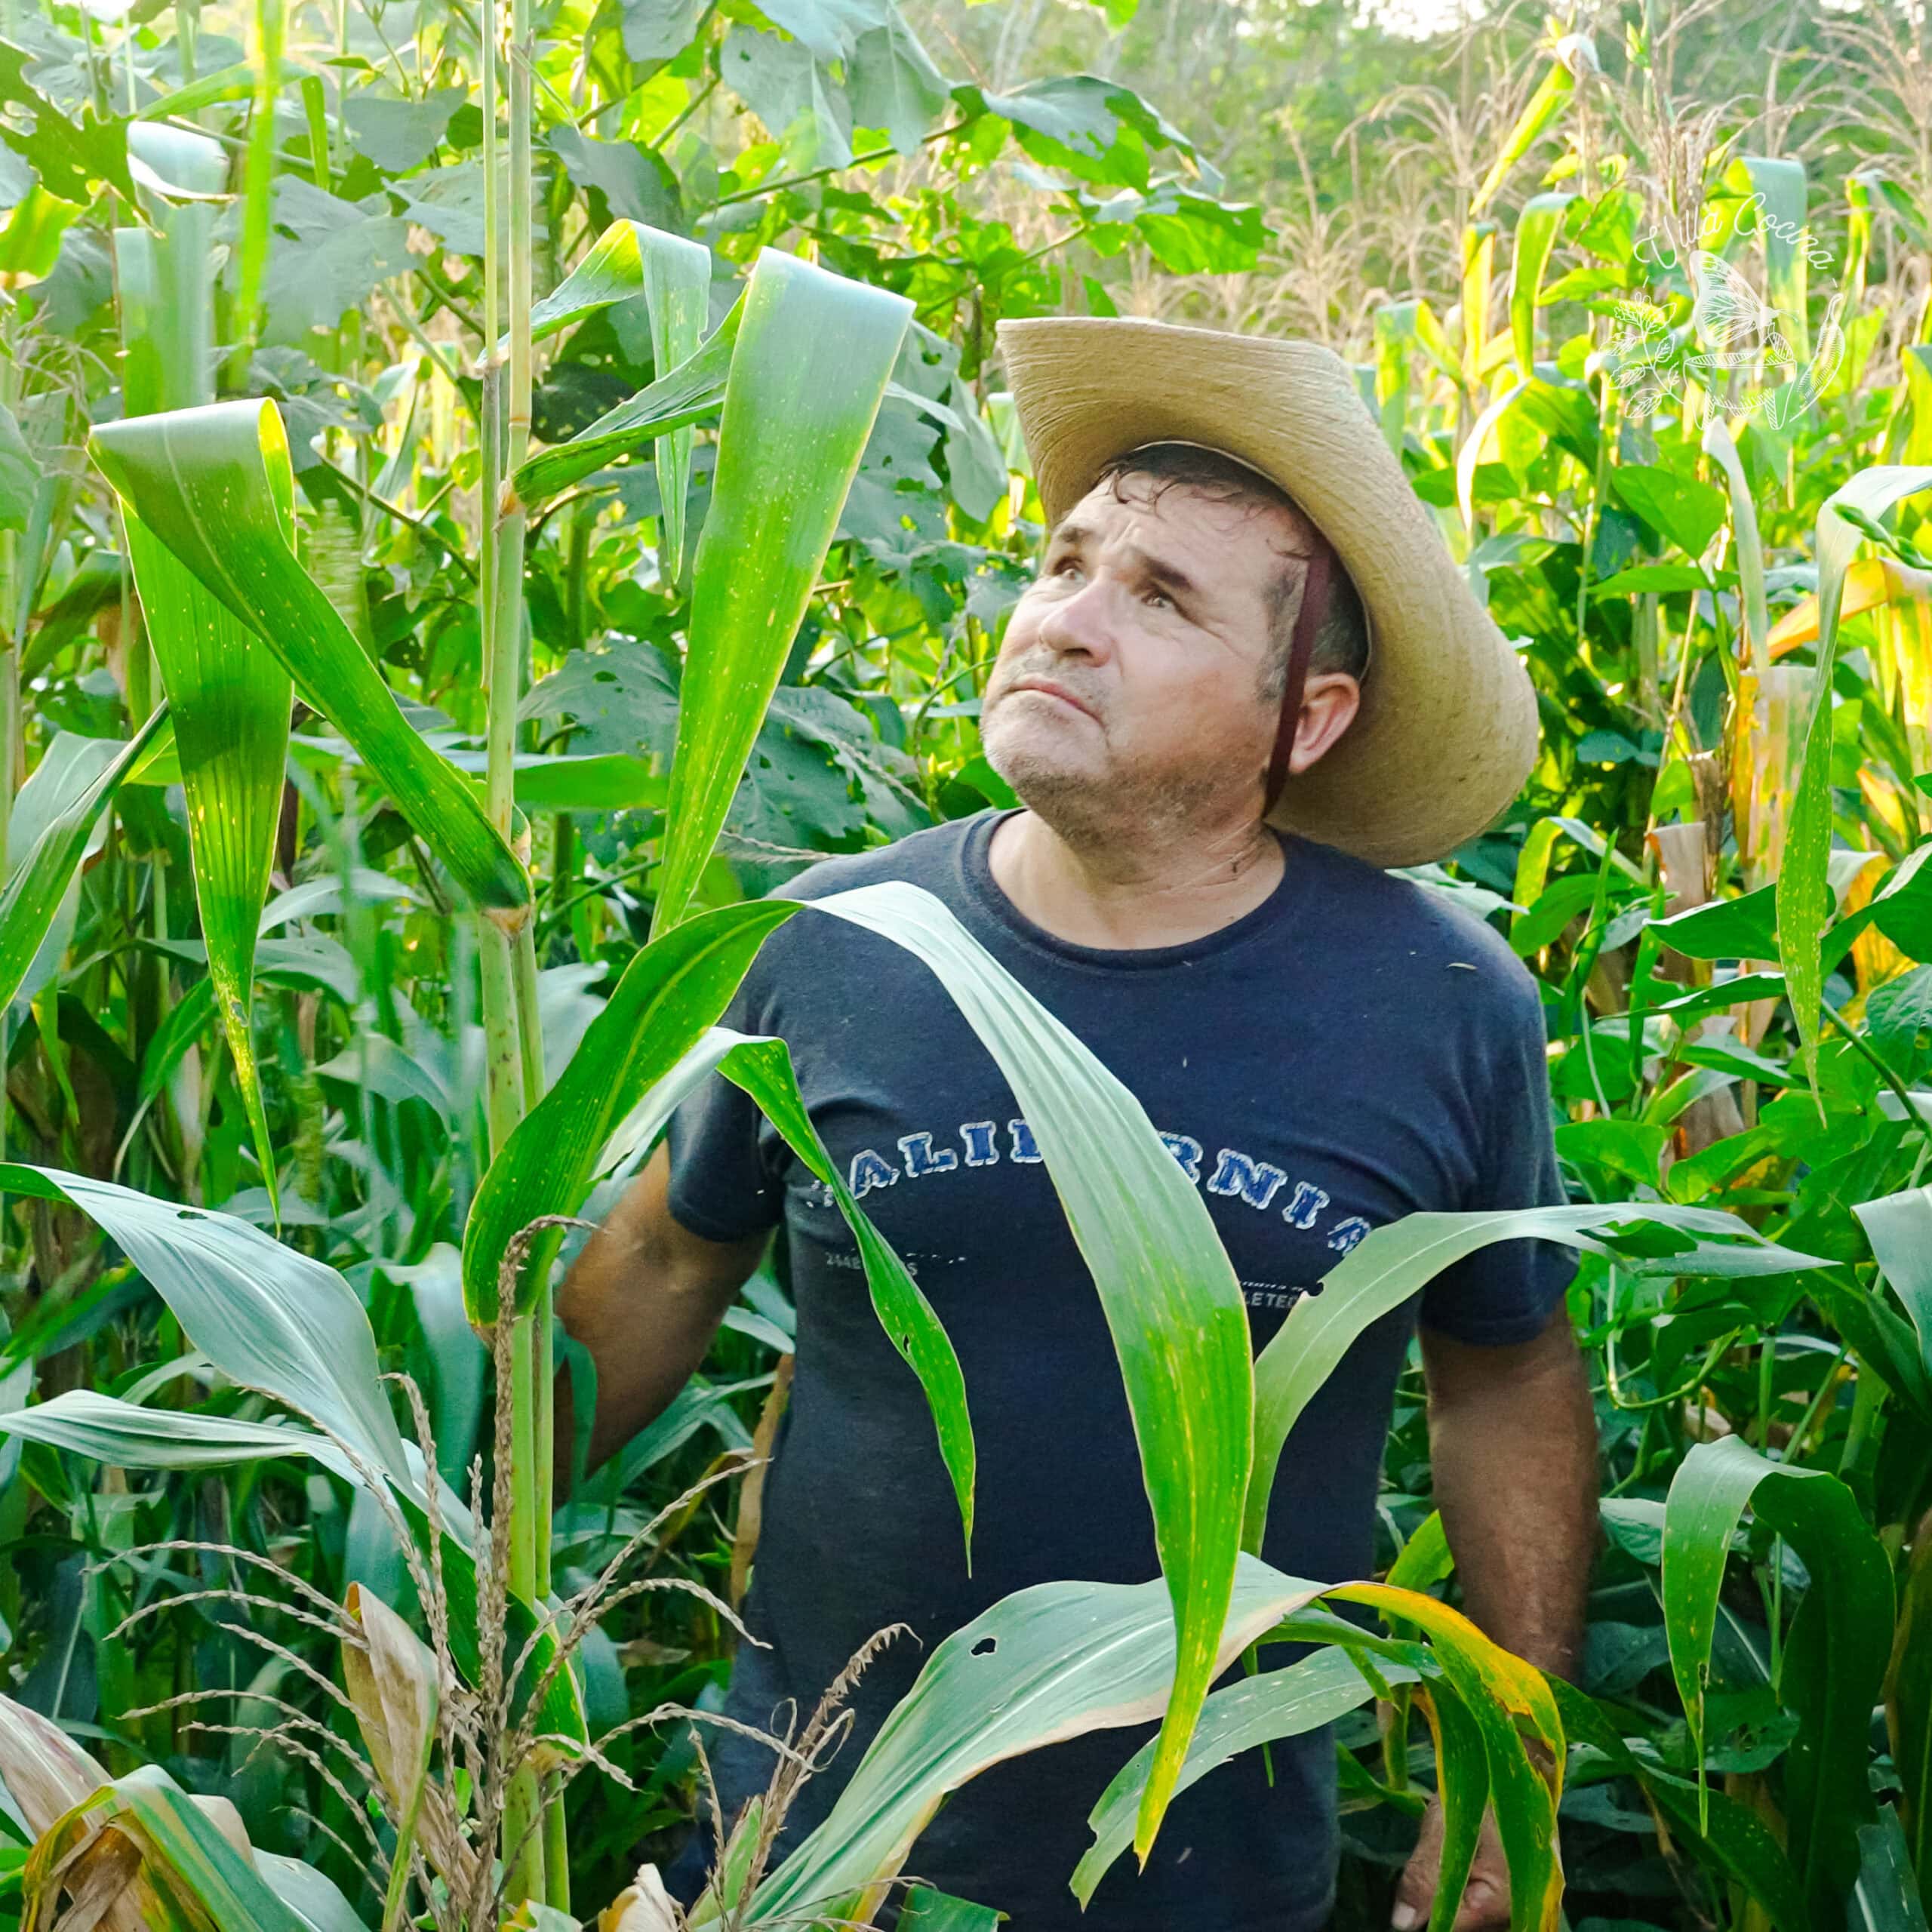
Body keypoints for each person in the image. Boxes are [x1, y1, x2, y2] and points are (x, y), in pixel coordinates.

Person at [558, 315, 1598, 1932]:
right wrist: (433, 1549)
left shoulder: (1434, 1000)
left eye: (1159, 596)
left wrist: (1504, 1761)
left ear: (1302, 718)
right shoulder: (836, 939)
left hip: (1203, 1872)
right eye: (1061, 565)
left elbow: (1506, 1375)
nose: (1063, 621)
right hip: (800, 1859)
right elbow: (665, 1258)